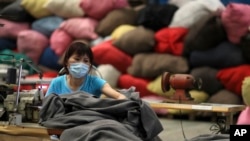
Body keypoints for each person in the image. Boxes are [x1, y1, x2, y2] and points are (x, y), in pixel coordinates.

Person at [45, 41, 127, 100]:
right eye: (77, 59)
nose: (81, 64)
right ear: (66, 61)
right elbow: (47, 106)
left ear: (90, 65)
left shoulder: (95, 82)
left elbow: (118, 96)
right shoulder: (56, 83)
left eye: (86, 61)